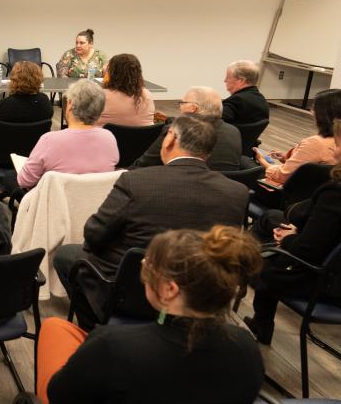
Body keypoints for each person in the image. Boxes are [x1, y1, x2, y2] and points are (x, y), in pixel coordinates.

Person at [37, 227, 264, 404]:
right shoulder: (247, 348)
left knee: (53, 328)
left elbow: (59, 401)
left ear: (169, 290)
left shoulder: (113, 346)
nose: (144, 268)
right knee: (62, 330)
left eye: (149, 265)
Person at [53, 115, 250, 328]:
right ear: (209, 151)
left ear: (170, 140)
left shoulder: (136, 181)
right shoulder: (237, 193)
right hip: (200, 295)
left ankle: (95, 329)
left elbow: (94, 234)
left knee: (66, 255)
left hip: (136, 291)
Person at [245, 119, 341, 344]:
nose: (334, 150)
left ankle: (260, 325)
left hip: (322, 282)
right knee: (272, 220)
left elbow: (305, 251)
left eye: (338, 143)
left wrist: (289, 238)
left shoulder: (335, 194)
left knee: (257, 264)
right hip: (331, 270)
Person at [12, 79, 118, 191]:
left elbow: (24, 181)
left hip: (56, 204)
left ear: (70, 105)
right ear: (100, 109)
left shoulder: (49, 140)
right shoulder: (109, 138)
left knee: (10, 177)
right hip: (96, 204)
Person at [131, 86, 241, 171]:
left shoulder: (177, 132)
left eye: (182, 103)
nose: (180, 107)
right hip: (224, 194)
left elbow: (142, 166)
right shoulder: (234, 132)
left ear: (193, 108)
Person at [255, 88, 341, 184]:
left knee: (247, 164)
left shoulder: (315, 143)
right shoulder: (334, 141)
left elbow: (282, 176)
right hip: (314, 191)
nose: (311, 112)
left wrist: (262, 161)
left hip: (288, 193)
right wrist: (289, 157)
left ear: (323, 114)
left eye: (314, 109)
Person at [0, 61, 53, 138]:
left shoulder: (3, 105)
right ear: (39, 79)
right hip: (35, 147)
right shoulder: (44, 101)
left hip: (2, 148)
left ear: (13, 80)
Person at [96, 53, 155, 126]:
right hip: (144, 137)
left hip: (108, 137)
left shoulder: (101, 96)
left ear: (113, 73)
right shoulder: (147, 95)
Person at [222, 60, 269, 125]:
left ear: (241, 80)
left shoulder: (237, 101)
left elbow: (213, 121)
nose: (225, 80)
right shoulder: (261, 100)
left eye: (228, 77)